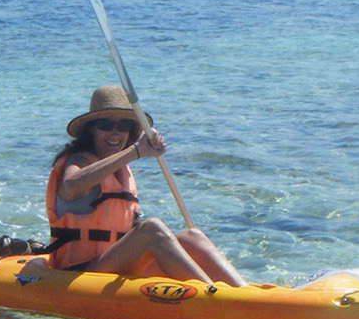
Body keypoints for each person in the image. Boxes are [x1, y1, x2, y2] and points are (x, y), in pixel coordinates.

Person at [43, 85, 245, 286]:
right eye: (105, 125)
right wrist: (135, 151)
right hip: (78, 274)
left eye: (123, 127)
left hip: (114, 266)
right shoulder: (76, 161)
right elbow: (71, 185)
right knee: (152, 229)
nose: (115, 134)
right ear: (91, 130)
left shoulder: (120, 171)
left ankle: (243, 295)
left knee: (193, 237)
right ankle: (213, 297)